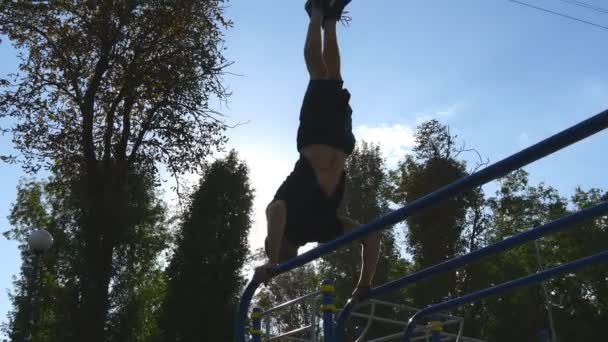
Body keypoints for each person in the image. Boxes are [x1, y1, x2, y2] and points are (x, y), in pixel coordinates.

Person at [253, 0, 381, 303]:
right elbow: (371, 236)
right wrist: (363, 285)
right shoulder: (320, 232)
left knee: (317, 72)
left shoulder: (286, 218)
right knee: (333, 75)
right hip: (342, 142)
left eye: (280, 254)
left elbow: (275, 211)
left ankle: (315, 14)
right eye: (284, 261)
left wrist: (271, 258)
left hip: (314, 137)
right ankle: (331, 20)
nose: (284, 259)